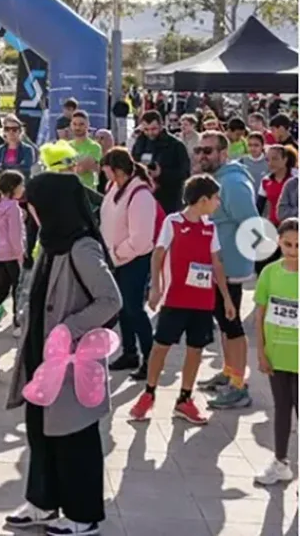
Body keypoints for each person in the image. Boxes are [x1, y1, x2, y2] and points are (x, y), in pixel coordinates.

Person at [4, 172, 121, 536]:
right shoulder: (51, 240)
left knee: (75, 436)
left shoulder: (81, 246)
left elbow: (110, 300)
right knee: (40, 431)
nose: (32, 214)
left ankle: (83, 514)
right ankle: (42, 501)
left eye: (35, 206)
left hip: (71, 359)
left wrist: (70, 328)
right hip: (44, 354)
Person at [129, 174, 234, 426]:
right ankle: (148, 394)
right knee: (161, 347)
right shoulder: (173, 222)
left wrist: (227, 299)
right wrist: (155, 287)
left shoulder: (211, 227)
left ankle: (184, 400)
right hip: (175, 298)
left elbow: (217, 263)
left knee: (196, 349)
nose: (218, 203)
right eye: (216, 198)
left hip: (203, 300)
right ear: (203, 199)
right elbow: (158, 255)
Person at [193, 131, 260, 410]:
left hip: (230, 267)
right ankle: (229, 372)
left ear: (224, 153)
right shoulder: (216, 180)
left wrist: (248, 260)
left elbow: (253, 225)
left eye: (208, 151)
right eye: (199, 150)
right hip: (216, 266)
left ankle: (239, 386)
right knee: (223, 321)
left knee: (232, 325)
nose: (202, 156)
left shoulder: (232, 183)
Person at [99, 148, 158, 379]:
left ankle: (150, 358)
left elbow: (141, 239)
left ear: (118, 170)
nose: (104, 174)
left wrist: (116, 253)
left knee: (134, 309)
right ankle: (129, 352)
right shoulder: (113, 187)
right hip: (116, 260)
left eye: (107, 169)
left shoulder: (141, 195)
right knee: (122, 308)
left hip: (135, 260)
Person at [253, 218, 299, 486]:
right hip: (276, 354)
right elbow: (260, 315)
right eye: (287, 244)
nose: (292, 250)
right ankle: (280, 462)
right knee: (282, 408)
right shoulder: (269, 273)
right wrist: (261, 352)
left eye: (298, 245)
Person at [0, 171, 26, 331]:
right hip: (13, 254)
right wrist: (20, 255)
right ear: (13, 187)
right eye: (21, 185)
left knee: (1, 287)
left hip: (0, 252)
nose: (23, 188)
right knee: (18, 289)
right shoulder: (13, 208)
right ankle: (18, 323)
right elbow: (15, 235)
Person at [131, 110, 191, 213]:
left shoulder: (176, 145)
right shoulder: (140, 143)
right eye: (146, 129)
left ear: (161, 125)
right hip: (144, 195)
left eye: (154, 129)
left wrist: (162, 173)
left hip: (168, 199)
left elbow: (185, 173)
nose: (150, 133)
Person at [68, 111, 102, 189]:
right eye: (74, 124)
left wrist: (70, 166)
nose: (77, 127)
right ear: (71, 125)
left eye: (81, 124)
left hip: (88, 191)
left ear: (87, 125)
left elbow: (80, 169)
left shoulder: (94, 147)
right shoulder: (66, 146)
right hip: (69, 190)